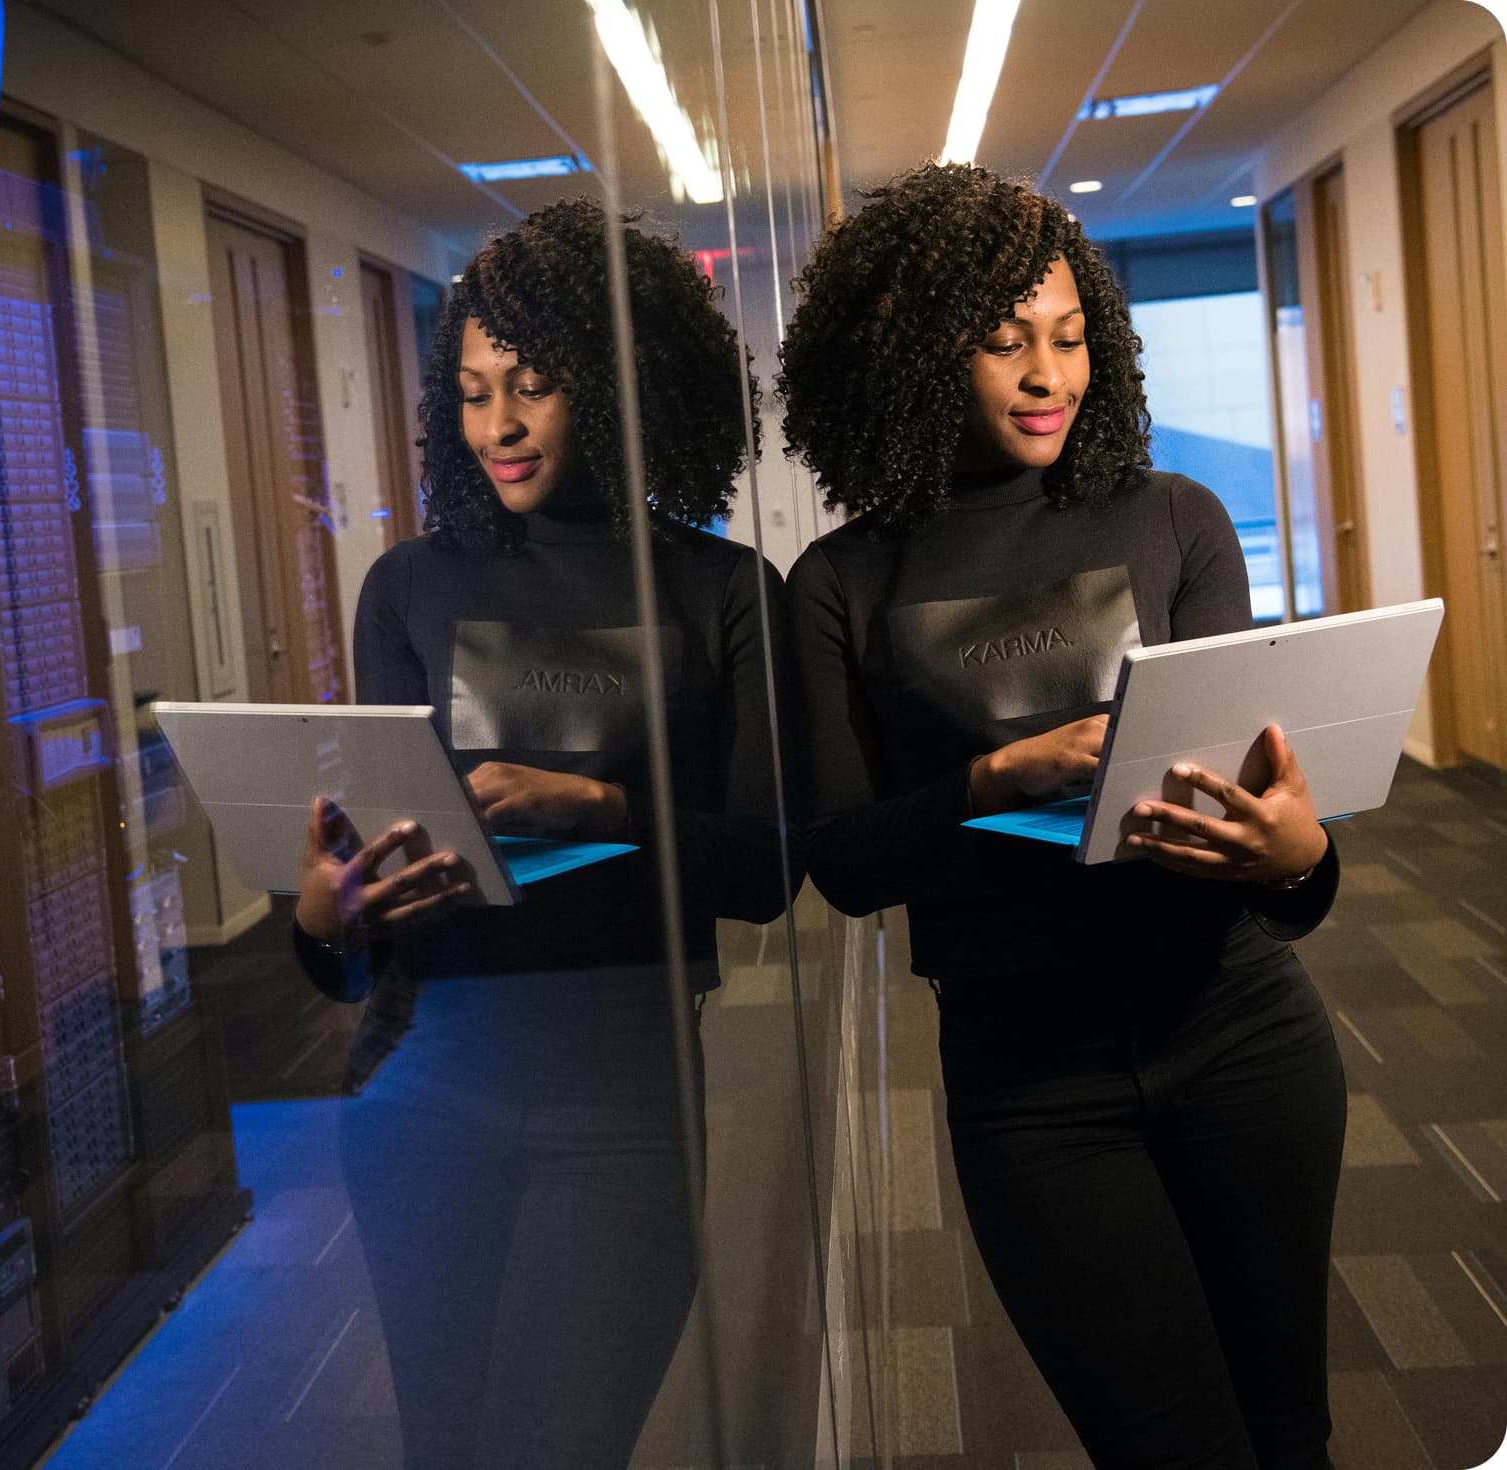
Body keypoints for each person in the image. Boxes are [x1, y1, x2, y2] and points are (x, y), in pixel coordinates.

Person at [779, 162, 1345, 1470]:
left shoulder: (1175, 521)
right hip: (1032, 1088)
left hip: (1245, 1033)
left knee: (1290, 1435)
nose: (1049, 372)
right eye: (1003, 341)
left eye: (1071, 335)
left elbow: (1267, 829)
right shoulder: (843, 581)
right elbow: (846, 864)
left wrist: (1302, 857)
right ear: (917, 355)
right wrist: (991, 781)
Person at [290, 199, 789, 1470]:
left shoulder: (722, 593)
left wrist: (600, 808)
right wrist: (322, 917)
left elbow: (771, 867)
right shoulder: (410, 587)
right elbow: (366, 913)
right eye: (470, 392)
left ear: (622, 387)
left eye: (532, 387)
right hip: (421, 1081)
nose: (498, 425)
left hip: (620, 1096)